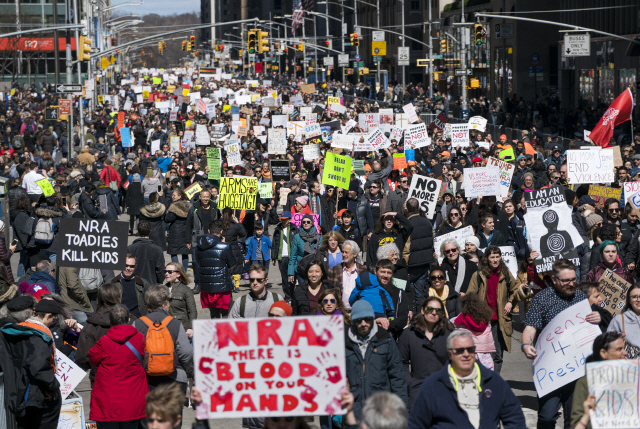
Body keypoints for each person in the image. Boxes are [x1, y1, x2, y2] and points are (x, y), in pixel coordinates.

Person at [522, 259, 602, 429]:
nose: (571, 284)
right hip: (551, 370)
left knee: (573, 418)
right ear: (554, 279)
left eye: (574, 279)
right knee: (547, 416)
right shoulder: (541, 299)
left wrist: (598, 317)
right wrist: (525, 344)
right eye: (566, 281)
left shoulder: (581, 297)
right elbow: (530, 328)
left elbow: (590, 325)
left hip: (576, 368)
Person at [407, 330, 526, 429]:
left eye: (470, 349)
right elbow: (416, 424)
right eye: (459, 350)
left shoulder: (493, 381)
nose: (466, 354)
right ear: (449, 354)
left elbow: (515, 418)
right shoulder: (433, 385)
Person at [0, 299, 63, 429]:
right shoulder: (39, 335)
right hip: (38, 395)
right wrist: (53, 387)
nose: (52, 323)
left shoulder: (14, 331)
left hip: (17, 392)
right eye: (52, 319)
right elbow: (38, 367)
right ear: (48, 315)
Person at [345, 300, 408, 420]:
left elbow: (397, 378)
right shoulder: (345, 344)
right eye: (359, 320)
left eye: (367, 319)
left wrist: (401, 411)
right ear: (353, 321)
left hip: (381, 411)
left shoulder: (385, 340)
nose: (363, 323)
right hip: (354, 412)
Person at [88, 304, 149, 429]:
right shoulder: (140, 338)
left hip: (108, 400)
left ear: (110, 321)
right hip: (133, 398)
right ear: (128, 320)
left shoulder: (104, 341)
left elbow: (92, 359)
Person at [133, 285, 193, 397]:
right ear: (163, 303)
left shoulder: (137, 324)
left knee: (151, 413)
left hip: (146, 380)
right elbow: (187, 352)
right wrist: (183, 368)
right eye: (169, 300)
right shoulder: (175, 323)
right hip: (175, 378)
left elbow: (133, 353)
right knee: (174, 414)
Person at [466, 246, 519, 374]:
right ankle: (483, 380)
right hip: (483, 321)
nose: (495, 260)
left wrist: (510, 302)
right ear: (487, 259)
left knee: (497, 355)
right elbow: (470, 296)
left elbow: (516, 289)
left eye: (497, 257)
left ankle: (495, 382)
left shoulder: (506, 274)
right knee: (481, 354)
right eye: (492, 257)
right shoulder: (478, 275)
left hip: (499, 321)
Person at [398, 296, 454, 408]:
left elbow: (455, 362)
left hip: (444, 389)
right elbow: (401, 362)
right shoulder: (409, 334)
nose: (434, 313)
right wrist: (410, 383)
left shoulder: (449, 334)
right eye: (430, 309)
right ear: (422, 310)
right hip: (417, 391)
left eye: (438, 310)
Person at [76, 283, 137, 384]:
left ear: (99, 298)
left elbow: (82, 358)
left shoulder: (92, 325)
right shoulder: (132, 321)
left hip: (101, 378)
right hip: (128, 376)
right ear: (119, 297)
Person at [570, 332, 627, 429]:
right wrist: (587, 415)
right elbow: (576, 424)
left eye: (624, 348)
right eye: (619, 349)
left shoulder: (632, 380)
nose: (625, 353)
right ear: (603, 353)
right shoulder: (585, 383)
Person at [196, 220, 236, 318]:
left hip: (207, 286)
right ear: (221, 232)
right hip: (223, 286)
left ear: (209, 231)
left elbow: (198, 263)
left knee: (214, 315)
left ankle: (215, 333)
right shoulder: (225, 246)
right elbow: (233, 264)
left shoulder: (199, 247)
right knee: (226, 314)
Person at [453, 293, 497, 371]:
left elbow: (452, 325)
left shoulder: (459, 319)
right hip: (484, 354)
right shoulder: (485, 319)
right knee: (486, 377)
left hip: (467, 353)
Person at [404, 198, 434, 312]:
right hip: (424, 263)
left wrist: (404, 265)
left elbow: (405, 248)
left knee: (408, 295)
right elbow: (432, 243)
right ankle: (419, 319)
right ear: (419, 208)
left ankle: (410, 320)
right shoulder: (427, 222)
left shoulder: (407, 223)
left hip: (411, 266)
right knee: (419, 295)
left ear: (406, 209)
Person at [187, 189, 217, 292]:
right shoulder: (193, 209)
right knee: (196, 263)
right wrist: (188, 240)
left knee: (210, 263)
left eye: (207, 197)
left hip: (211, 240)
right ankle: (197, 284)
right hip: (197, 239)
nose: (205, 199)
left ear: (210, 197)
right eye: (203, 197)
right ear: (200, 197)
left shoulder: (215, 208)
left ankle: (209, 284)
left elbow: (218, 223)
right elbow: (188, 225)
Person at [326, 240, 368, 310]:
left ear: (355, 254)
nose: (344, 254)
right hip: (340, 311)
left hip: (359, 311)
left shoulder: (363, 270)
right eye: (343, 252)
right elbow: (329, 292)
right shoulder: (333, 270)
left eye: (346, 252)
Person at [164, 262, 197, 339]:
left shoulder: (185, 290)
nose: (166, 274)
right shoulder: (162, 289)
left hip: (182, 328)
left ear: (178, 274)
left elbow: (192, 310)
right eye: (165, 271)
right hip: (166, 328)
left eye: (170, 272)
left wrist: (190, 328)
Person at [271, 211, 299, 302]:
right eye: (281, 220)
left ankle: (292, 294)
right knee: (284, 278)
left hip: (292, 257)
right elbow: (274, 243)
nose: (282, 221)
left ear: (289, 220)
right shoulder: (278, 229)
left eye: (284, 220)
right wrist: (273, 257)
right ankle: (287, 296)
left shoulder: (295, 229)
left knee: (292, 278)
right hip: (281, 257)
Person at [127, 220, 165, 286]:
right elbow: (160, 270)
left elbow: (125, 268)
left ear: (137, 232)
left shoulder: (130, 248)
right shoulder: (158, 250)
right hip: (151, 285)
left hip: (133, 284)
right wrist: (159, 282)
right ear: (150, 231)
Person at [608, 283, 640, 356]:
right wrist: (614, 339)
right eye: (634, 297)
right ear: (629, 300)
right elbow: (607, 346)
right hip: (630, 365)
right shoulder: (618, 320)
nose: (638, 300)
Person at [165, 189, 192, 273]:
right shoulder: (189, 205)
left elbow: (169, 218)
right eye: (172, 195)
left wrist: (167, 214)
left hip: (175, 232)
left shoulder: (175, 206)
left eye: (174, 195)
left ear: (180, 196)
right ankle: (184, 271)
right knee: (185, 253)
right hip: (186, 231)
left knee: (174, 252)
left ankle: (176, 271)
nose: (172, 197)